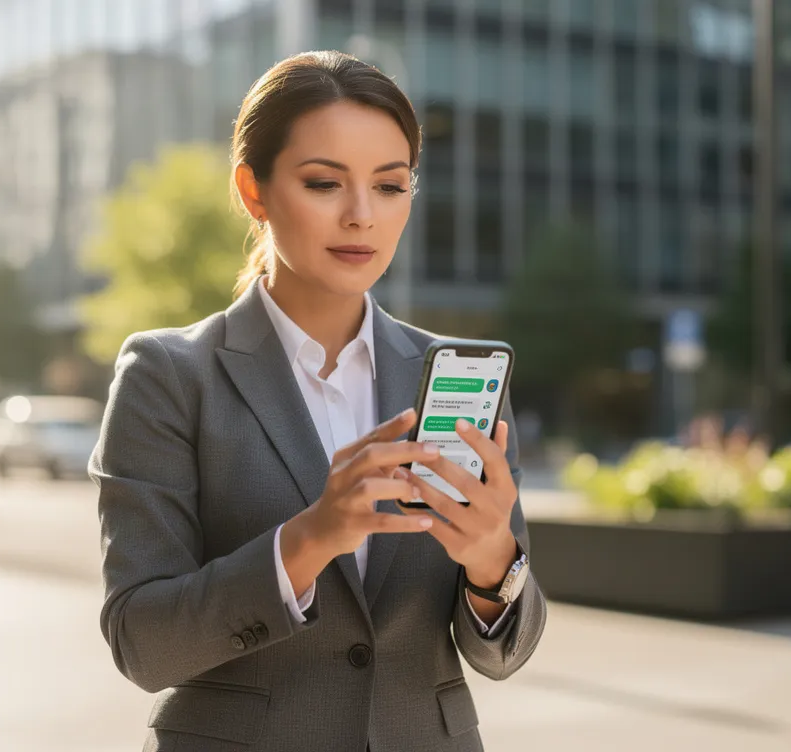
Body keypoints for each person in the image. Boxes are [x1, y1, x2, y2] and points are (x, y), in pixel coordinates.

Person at [91, 50, 547, 751]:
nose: (361, 216)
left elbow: (502, 654)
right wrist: (309, 539)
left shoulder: (457, 379)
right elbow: (142, 643)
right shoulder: (169, 375)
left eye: (390, 186)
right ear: (253, 190)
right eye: (324, 183)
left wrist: (494, 561)